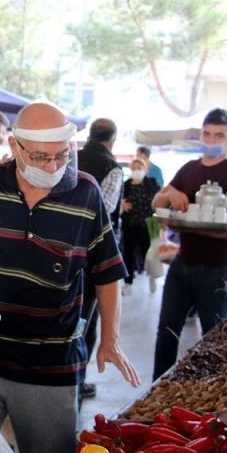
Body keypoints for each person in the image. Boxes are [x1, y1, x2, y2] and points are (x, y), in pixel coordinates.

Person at [0, 102, 140, 453]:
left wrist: (109, 340)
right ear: (14, 145)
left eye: (62, 155)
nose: (53, 165)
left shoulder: (86, 193)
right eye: (41, 156)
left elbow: (107, 273)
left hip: (51, 366)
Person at [150, 108, 227, 380]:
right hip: (183, 264)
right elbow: (156, 204)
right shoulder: (189, 169)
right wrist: (171, 192)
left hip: (218, 270)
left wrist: (199, 228)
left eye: (219, 135)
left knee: (214, 338)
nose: (211, 140)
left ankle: (211, 394)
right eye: (207, 134)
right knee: (166, 332)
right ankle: (157, 389)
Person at [75, 117, 123, 399]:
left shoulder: (71, 158)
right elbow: (103, 211)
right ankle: (77, 382)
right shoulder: (113, 168)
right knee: (86, 322)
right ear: (112, 140)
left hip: (58, 248)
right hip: (91, 257)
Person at [121, 158, 160, 295]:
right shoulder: (125, 185)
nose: (136, 170)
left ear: (145, 170)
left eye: (139, 168)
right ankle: (128, 282)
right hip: (131, 224)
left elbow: (160, 201)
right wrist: (122, 205)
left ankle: (152, 276)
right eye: (134, 168)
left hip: (151, 224)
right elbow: (119, 202)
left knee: (151, 253)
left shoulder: (152, 183)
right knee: (129, 253)